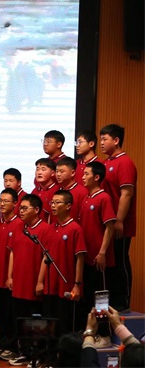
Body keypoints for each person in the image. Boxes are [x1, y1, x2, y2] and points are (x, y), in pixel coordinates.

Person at [6, 194, 49, 365]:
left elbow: (46, 257)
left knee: (36, 322)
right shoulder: (19, 227)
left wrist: (40, 281)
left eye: (24, 208)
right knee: (20, 320)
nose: (20, 211)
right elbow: (12, 252)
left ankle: (38, 355)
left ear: (36, 210)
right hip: (18, 284)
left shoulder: (45, 229)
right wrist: (9, 276)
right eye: (20, 208)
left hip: (33, 285)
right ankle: (24, 352)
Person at [35, 190, 86, 336]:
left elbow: (80, 259)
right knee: (49, 325)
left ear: (68, 206)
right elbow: (45, 256)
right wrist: (40, 281)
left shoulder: (75, 228)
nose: (53, 205)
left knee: (65, 324)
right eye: (52, 202)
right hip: (50, 286)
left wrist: (77, 285)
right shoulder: (50, 228)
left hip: (66, 286)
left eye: (57, 203)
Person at [99, 124, 137, 313]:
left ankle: (123, 302)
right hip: (106, 224)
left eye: (105, 139)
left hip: (119, 224)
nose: (101, 143)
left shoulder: (125, 162)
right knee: (109, 266)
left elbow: (126, 194)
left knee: (120, 261)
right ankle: (109, 303)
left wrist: (119, 220)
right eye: (100, 139)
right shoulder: (106, 163)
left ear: (116, 140)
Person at [79, 161, 116, 347]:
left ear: (97, 177)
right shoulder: (86, 198)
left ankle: (105, 335)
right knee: (88, 297)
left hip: (99, 259)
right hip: (86, 258)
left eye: (86, 174)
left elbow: (110, 227)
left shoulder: (104, 198)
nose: (83, 177)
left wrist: (102, 252)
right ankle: (91, 333)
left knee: (101, 297)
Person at [0, 188, 24, 361]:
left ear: (15, 204)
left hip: (12, 277)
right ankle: (1, 344)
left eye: (6, 201)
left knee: (11, 312)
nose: (2, 204)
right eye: (0, 200)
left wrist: (12, 276)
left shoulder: (19, 224)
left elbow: (16, 252)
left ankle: (12, 347)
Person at [55, 157, 88, 222]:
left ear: (72, 173)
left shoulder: (82, 192)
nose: (58, 174)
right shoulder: (55, 190)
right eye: (57, 171)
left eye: (62, 171)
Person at [31, 158, 57, 223]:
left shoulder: (57, 191)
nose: (39, 172)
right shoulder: (34, 191)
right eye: (37, 169)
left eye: (43, 169)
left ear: (52, 173)